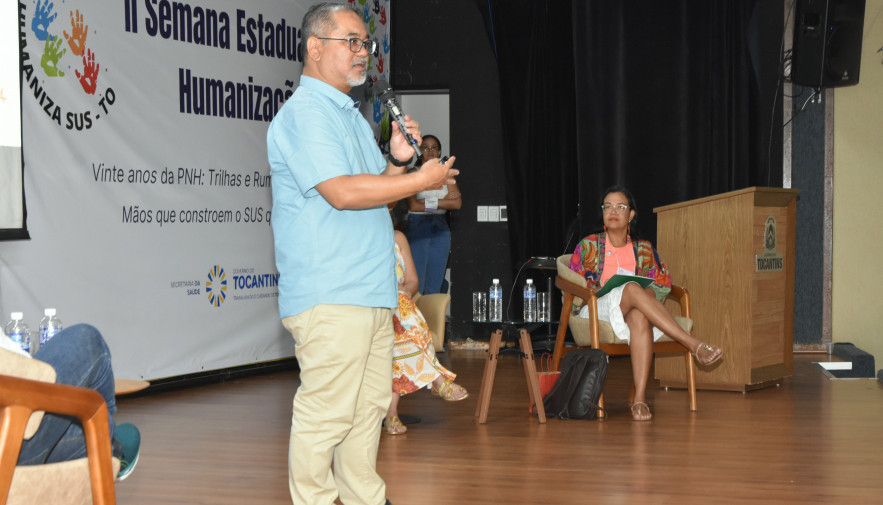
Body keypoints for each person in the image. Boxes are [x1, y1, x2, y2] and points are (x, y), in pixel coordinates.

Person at [265, 3, 457, 504]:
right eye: (350, 41)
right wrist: (421, 178)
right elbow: (343, 193)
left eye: (365, 43)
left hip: (372, 290)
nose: (362, 52)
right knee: (327, 413)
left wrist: (396, 162)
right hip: (331, 291)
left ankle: (363, 498)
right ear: (314, 47)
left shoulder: (348, 115)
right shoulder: (306, 114)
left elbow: (376, 193)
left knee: (369, 408)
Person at [568, 185, 723, 421]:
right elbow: (574, 283)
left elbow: (662, 284)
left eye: (620, 207)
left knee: (640, 314)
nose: (613, 211)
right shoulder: (588, 246)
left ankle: (640, 399)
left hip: (629, 309)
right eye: (607, 206)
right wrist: (600, 289)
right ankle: (693, 345)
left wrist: (646, 293)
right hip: (595, 308)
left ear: (631, 214)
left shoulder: (644, 249)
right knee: (631, 288)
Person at [1, 323, 141, 481]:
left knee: (93, 431)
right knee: (86, 338)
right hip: (11, 449)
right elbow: (20, 364)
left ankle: (108, 441)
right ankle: (112, 446)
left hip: (11, 450)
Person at [384, 231, 468, 435]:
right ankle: (436, 378)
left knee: (401, 319)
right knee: (402, 317)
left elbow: (413, 281)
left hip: (399, 310)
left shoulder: (398, 238)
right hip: (374, 306)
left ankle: (391, 413)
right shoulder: (358, 237)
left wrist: (405, 292)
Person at [405, 135, 462, 294]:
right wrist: (443, 201)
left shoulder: (447, 174)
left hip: (441, 228)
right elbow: (414, 205)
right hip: (418, 226)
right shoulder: (412, 173)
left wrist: (426, 202)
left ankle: (432, 311)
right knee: (417, 283)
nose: (430, 151)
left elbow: (456, 203)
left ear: (439, 151)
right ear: (419, 150)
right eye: (426, 147)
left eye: (434, 147)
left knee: (435, 283)